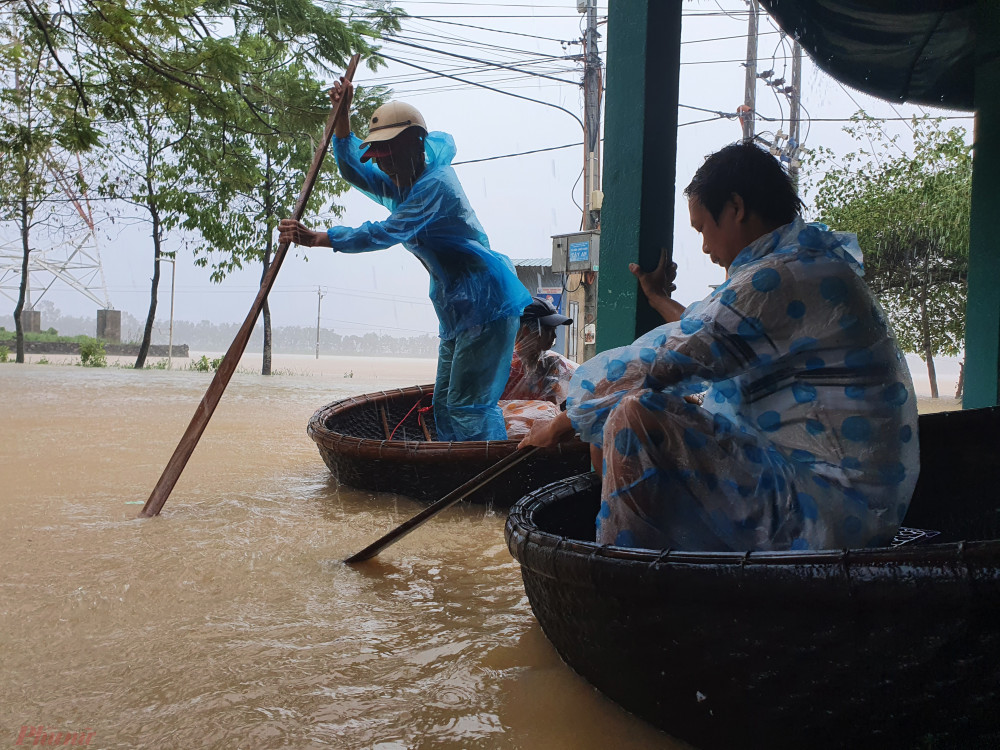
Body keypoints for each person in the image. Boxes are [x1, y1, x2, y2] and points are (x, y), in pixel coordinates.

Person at [521, 142, 919, 553]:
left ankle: (622, 574)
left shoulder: (780, 277)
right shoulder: (805, 262)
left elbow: (673, 357)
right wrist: (657, 298)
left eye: (702, 229)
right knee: (619, 406)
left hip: (826, 507)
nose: (706, 247)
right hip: (848, 501)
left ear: (735, 208)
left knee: (631, 414)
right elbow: (709, 331)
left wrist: (559, 424)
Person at [279, 80, 531, 441]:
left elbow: (385, 232)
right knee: (445, 405)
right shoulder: (400, 183)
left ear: (416, 144)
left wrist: (318, 238)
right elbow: (352, 169)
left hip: (487, 303)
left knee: (467, 407)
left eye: (390, 150)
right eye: (378, 152)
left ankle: (485, 481)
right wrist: (343, 116)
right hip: (455, 309)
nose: (383, 160)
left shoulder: (436, 185)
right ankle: (457, 476)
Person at [501, 296, 578, 405]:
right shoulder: (503, 368)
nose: (554, 335)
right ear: (526, 331)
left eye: (554, 329)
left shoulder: (550, 365)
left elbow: (552, 408)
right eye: (548, 330)